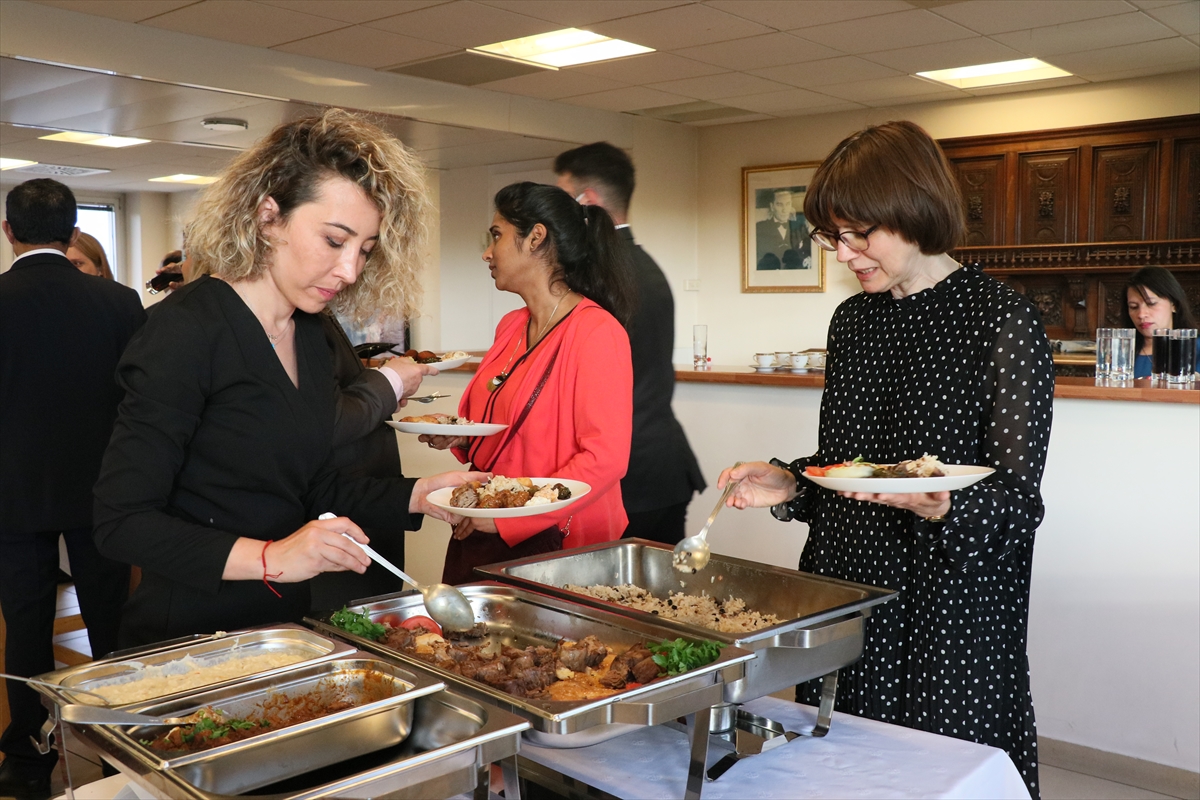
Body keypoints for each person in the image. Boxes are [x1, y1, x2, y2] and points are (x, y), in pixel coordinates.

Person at [718, 121, 1053, 798]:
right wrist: (791, 482)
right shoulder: (854, 322)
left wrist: (944, 501)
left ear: (913, 211)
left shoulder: (1001, 321)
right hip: (847, 594)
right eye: (830, 236)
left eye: (857, 234)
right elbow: (853, 466)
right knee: (834, 775)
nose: (842, 254)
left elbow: (1019, 505)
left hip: (950, 613)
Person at [93, 109, 482, 647]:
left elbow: (311, 485)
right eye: (333, 240)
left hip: (286, 629)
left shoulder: (309, 333)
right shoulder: (185, 332)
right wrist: (274, 557)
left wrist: (418, 496)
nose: (349, 271)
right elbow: (123, 521)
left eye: (364, 251)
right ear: (267, 216)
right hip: (192, 635)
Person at [0, 179, 144, 800]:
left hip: (12, 492)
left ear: (9, 232)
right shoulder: (118, 302)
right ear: (71, 229)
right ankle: (122, 746)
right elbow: (140, 402)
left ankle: (30, 752)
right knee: (109, 617)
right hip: (102, 489)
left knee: (26, 622)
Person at [420, 182, 635, 585]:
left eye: (496, 235)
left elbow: (604, 458)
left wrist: (509, 518)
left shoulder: (596, 332)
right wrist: (457, 437)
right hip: (487, 522)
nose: (487, 251)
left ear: (536, 238)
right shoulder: (511, 325)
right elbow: (508, 430)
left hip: (558, 541)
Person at [553, 142, 705, 545]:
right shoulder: (647, 266)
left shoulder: (597, 277)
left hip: (623, 477)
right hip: (663, 464)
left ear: (588, 200)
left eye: (563, 199)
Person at [1123, 266, 1198, 378]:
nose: (1141, 314)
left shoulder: (1196, 349)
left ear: (1174, 304)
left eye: (1151, 303)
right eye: (1134, 307)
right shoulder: (1122, 352)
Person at [755, 189, 811, 270]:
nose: (784, 210)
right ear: (772, 206)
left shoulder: (801, 227)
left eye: (788, 204)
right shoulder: (760, 228)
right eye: (779, 205)